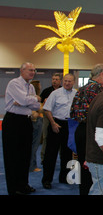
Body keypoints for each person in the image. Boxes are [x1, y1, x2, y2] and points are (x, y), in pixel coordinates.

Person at [70, 63, 103, 195]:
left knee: (83, 166)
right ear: (102, 75)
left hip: (80, 130)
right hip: (93, 132)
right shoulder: (99, 90)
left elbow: (72, 113)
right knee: (94, 168)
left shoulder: (81, 89)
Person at [2, 62, 41, 195]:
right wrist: (32, 99)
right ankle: (14, 189)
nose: (32, 72)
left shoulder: (30, 87)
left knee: (25, 155)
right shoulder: (14, 83)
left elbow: (36, 106)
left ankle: (23, 184)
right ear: (22, 71)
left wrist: (28, 100)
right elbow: (27, 102)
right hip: (13, 121)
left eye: (34, 70)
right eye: (30, 70)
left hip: (26, 122)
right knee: (13, 156)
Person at [41, 73, 77, 189]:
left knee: (67, 154)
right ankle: (47, 180)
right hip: (55, 124)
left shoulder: (77, 94)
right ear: (63, 81)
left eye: (69, 81)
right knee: (50, 155)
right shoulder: (55, 93)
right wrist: (52, 123)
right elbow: (46, 109)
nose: (67, 83)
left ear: (73, 82)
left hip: (69, 125)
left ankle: (64, 177)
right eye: (65, 81)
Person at [39, 72, 62, 164]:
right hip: (47, 116)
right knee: (45, 137)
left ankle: (62, 158)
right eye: (53, 79)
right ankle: (43, 158)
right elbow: (39, 104)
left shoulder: (63, 91)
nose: (54, 81)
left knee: (61, 138)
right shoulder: (46, 91)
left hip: (59, 117)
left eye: (56, 79)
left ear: (60, 81)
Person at [29, 80, 44, 173]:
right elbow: (38, 110)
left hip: (35, 121)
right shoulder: (34, 98)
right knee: (34, 145)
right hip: (35, 122)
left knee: (32, 145)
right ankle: (32, 166)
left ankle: (31, 165)